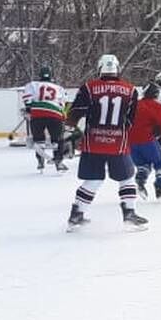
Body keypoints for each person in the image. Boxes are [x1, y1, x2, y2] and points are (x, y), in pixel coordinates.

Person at [65, 54, 146, 230]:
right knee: (126, 179)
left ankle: (76, 215)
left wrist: (69, 130)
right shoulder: (131, 90)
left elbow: (74, 113)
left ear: (100, 68)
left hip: (92, 143)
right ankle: (129, 214)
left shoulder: (89, 87)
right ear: (117, 68)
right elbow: (131, 120)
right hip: (118, 144)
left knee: (93, 180)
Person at [19, 64, 71, 172]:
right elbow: (63, 103)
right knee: (58, 140)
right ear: (51, 76)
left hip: (37, 114)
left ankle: (40, 161)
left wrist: (29, 109)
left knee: (39, 141)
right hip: (55, 114)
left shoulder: (32, 85)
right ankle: (59, 163)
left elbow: (27, 99)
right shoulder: (59, 88)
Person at [130, 83, 161, 199]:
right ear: (156, 95)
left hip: (130, 142)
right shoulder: (156, 106)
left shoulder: (133, 105)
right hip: (146, 140)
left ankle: (140, 181)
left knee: (143, 164)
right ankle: (160, 189)